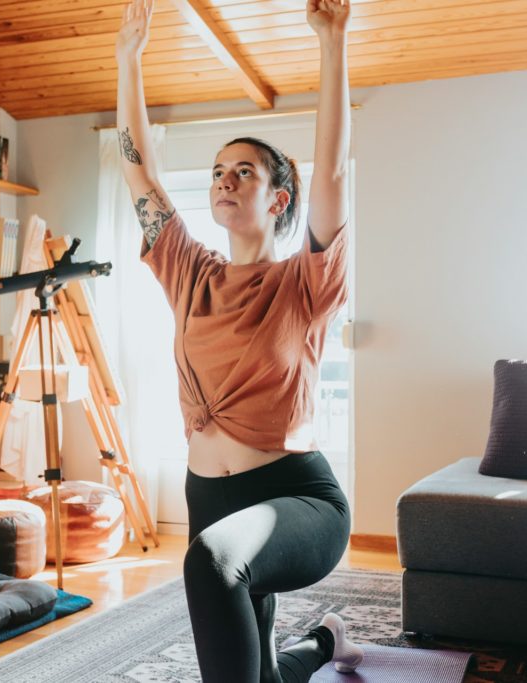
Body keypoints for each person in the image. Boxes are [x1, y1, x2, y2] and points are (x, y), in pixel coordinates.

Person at [116, 0, 359, 680]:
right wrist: (127, 60)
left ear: (279, 199)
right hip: (210, 497)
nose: (224, 179)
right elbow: (141, 172)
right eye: (219, 171)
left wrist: (332, 41)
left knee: (210, 562)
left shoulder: (304, 281)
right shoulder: (190, 269)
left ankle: (323, 642)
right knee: (254, 674)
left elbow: (333, 175)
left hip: (298, 498)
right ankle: (328, 643)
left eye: (244, 171)